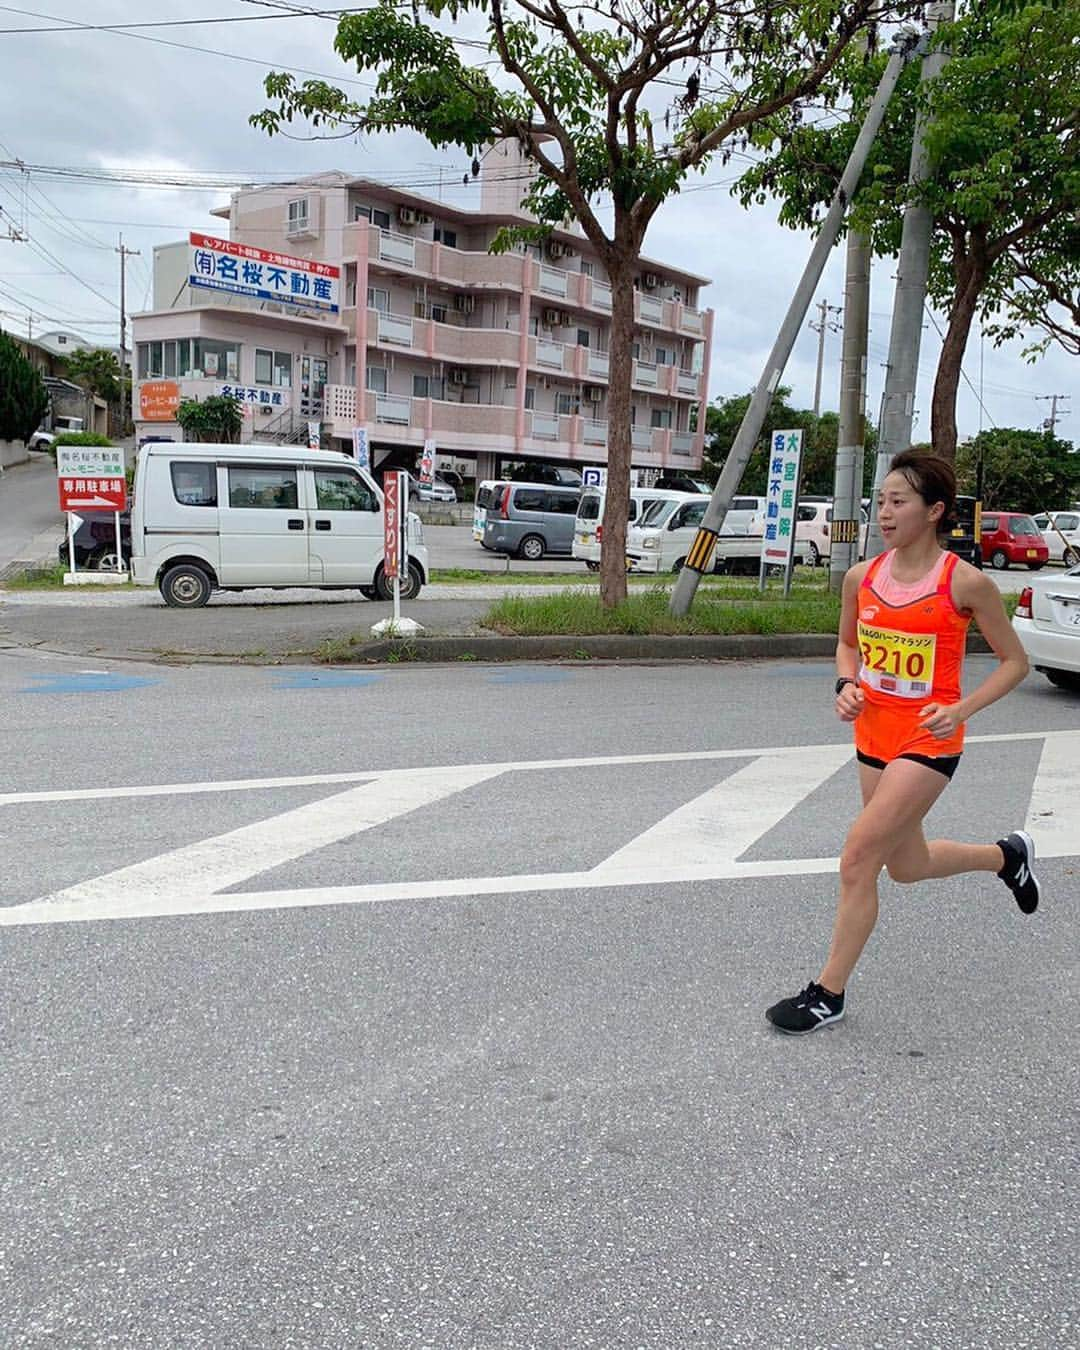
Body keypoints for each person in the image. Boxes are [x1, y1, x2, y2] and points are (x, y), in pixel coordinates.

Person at [766, 450, 1039, 1035]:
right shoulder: (860, 577)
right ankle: (1006, 856)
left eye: (898, 502)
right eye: (880, 502)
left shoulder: (966, 583)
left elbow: (1015, 662)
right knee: (907, 866)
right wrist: (845, 684)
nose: (884, 513)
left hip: (929, 740)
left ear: (935, 510)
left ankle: (827, 993)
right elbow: (846, 647)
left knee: (858, 857)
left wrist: (961, 709)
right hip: (873, 734)